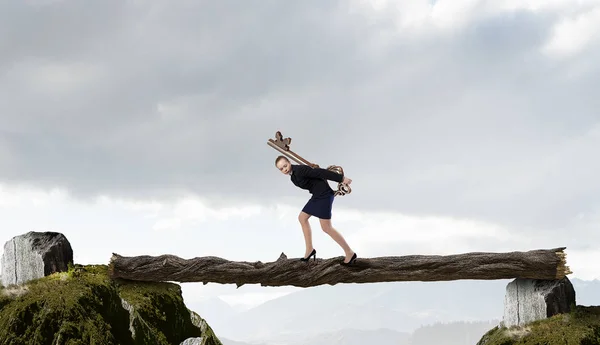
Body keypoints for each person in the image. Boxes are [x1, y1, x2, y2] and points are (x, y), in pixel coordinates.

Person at [275, 155, 357, 265]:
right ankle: (309, 249)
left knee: (326, 227)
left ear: (289, 162)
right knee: (302, 218)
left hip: (324, 195)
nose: (284, 169)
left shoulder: (300, 170)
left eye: (285, 165)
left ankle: (349, 252)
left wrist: (341, 178)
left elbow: (320, 173)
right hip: (316, 196)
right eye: (281, 169)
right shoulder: (293, 177)